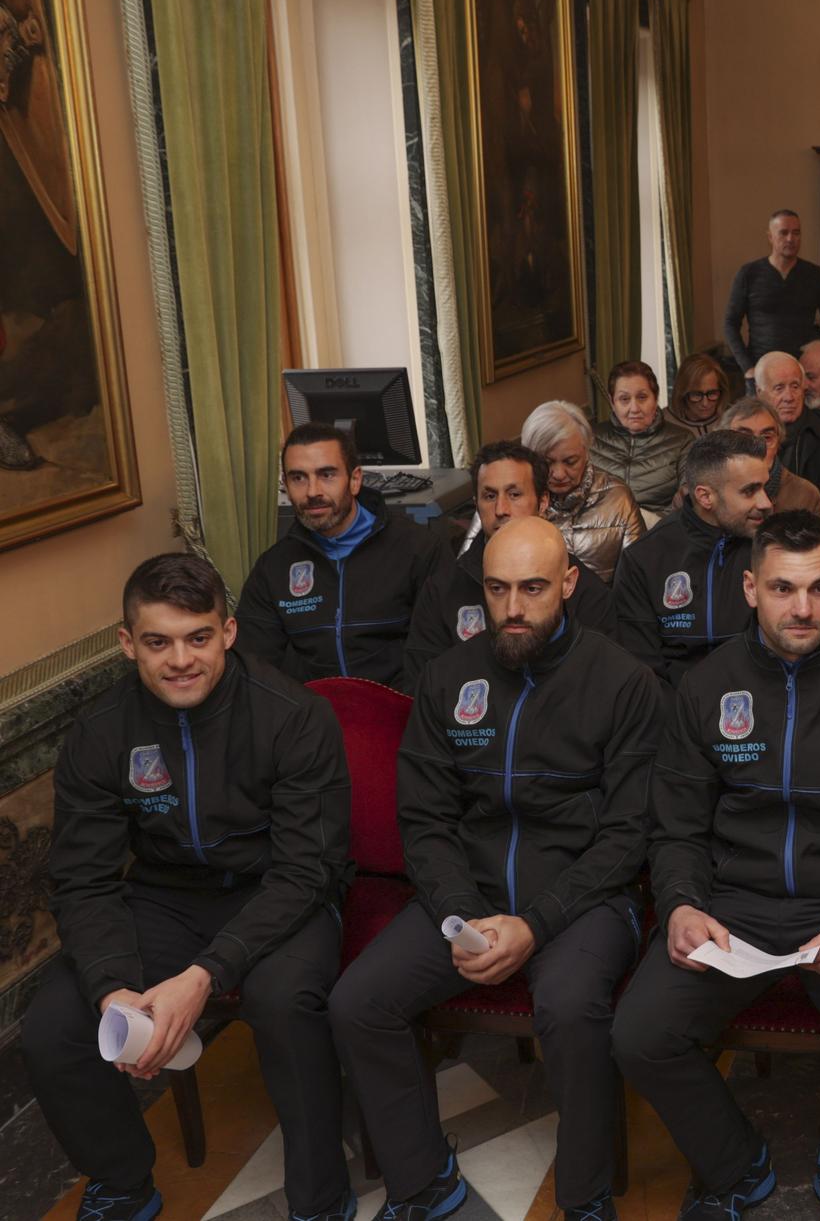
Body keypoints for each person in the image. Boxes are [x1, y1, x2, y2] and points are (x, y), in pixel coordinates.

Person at [333, 517, 664, 1221]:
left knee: (570, 1007)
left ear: (569, 584)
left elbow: (627, 835)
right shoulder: (448, 679)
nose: (513, 607)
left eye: (534, 588)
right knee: (359, 1001)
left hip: (585, 897)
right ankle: (423, 1180)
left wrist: (535, 924)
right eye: (498, 588)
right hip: (468, 894)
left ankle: (584, 1198)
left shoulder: (623, 682)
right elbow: (424, 817)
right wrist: (460, 912)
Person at [614, 511, 820, 1221]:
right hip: (734, 903)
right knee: (640, 1034)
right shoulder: (704, 686)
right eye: (784, 588)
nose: (802, 607)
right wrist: (684, 903)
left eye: (819, 587)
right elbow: (677, 826)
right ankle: (736, 1168)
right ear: (751, 586)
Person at [28, 554, 352, 1221]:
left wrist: (206, 972)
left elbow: (307, 870)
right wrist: (112, 984)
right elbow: (82, 878)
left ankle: (321, 1197)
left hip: (279, 894)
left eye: (198, 636)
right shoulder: (99, 731)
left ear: (228, 631)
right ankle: (122, 1179)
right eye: (158, 641)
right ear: (127, 643)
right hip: (165, 895)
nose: (181, 658)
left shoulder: (294, 715)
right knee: (54, 1025)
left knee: (282, 1000)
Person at [236, 421, 451, 690]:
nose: (312, 491)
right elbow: (256, 668)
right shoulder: (273, 568)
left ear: (355, 480)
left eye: (327, 474)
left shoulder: (418, 549)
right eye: (298, 477)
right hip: (312, 722)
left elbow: (442, 655)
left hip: (404, 714)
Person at [405, 441, 616, 679]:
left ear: (543, 502)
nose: (501, 509)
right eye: (489, 495)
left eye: (514, 494)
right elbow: (421, 688)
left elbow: (606, 687)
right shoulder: (443, 590)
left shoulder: (586, 591)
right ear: (476, 504)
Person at [613, 430, 775, 686]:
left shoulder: (775, 549)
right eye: (749, 491)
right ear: (705, 496)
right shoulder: (644, 559)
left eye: (766, 487)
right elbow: (642, 669)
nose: (765, 502)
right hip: (675, 712)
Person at [515, 400, 646, 585]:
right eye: (547, 462)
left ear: (586, 452)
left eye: (570, 461)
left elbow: (640, 578)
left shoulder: (617, 498)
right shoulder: (510, 499)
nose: (559, 474)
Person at [722, 208, 820, 375]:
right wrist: (747, 367)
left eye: (796, 233)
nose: (790, 239)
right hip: (761, 370)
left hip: (804, 371)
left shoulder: (815, 275)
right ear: (770, 237)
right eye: (783, 233)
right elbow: (730, 324)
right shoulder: (749, 274)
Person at [756, 350, 820, 516]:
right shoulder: (744, 437)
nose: (789, 397)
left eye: (795, 386)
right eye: (779, 388)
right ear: (760, 393)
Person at [591, 359, 693, 513]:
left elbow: (689, 501)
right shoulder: (590, 439)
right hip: (604, 529)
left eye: (642, 397)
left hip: (660, 529)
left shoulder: (682, 440)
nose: (634, 408)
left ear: (656, 397)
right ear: (612, 402)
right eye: (624, 399)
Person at [718, 396, 820, 518]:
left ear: (778, 442)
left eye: (766, 438)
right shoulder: (713, 491)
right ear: (725, 443)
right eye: (744, 438)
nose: (757, 447)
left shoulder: (806, 495)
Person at [668, 353, 736, 438]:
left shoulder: (734, 419)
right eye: (696, 395)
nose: (705, 403)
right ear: (682, 393)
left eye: (712, 393)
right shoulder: (665, 423)